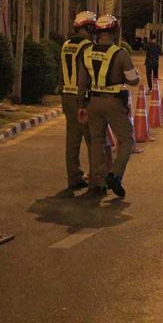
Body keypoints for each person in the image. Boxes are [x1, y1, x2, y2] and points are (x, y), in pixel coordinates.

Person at [77, 14, 141, 198]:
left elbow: (82, 82)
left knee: (97, 141)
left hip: (93, 102)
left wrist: (82, 105)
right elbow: (133, 80)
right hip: (114, 103)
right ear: (114, 32)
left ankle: (97, 183)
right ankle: (115, 175)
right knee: (126, 140)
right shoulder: (120, 54)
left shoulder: (87, 53)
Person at [60, 11, 96, 191]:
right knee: (92, 139)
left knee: (72, 140)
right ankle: (96, 177)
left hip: (67, 95)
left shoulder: (66, 45)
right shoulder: (88, 46)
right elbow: (87, 75)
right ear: (88, 27)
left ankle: (74, 177)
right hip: (82, 98)